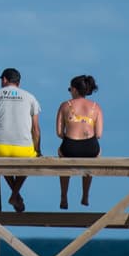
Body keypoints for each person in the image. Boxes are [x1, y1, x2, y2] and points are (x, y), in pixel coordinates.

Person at [0, 67, 41, 212]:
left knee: (0, 161)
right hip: (23, 149)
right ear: (18, 83)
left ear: (4, 80)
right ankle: (15, 195)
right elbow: (35, 129)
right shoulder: (30, 97)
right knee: (30, 160)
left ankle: (16, 196)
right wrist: (38, 150)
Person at [55, 74, 102, 209]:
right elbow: (98, 134)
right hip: (90, 147)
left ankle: (64, 195)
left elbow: (59, 133)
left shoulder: (65, 105)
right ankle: (85, 194)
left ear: (75, 90)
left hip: (70, 146)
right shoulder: (96, 107)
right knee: (95, 156)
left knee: (62, 156)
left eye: (70, 89)